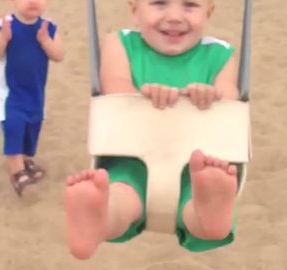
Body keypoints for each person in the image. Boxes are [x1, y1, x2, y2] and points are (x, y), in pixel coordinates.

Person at [65, 0, 241, 259]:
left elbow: (229, 101)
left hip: (198, 165)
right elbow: (115, 87)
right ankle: (97, 221)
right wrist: (146, 97)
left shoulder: (221, 55)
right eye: (159, 3)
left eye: (190, 5)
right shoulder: (119, 43)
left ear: (209, 12)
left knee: (199, 196)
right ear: (134, 10)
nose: (174, 16)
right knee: (120, 196)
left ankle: (209, 217)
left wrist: (210, 95)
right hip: (132, 156)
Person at [0, 0, 64, 196]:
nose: (33, 1)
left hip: (35, 91)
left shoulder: (48, 27)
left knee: (32, 126)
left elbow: (59, 55)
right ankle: (17, 172)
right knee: (14, 126)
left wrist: (46, 40)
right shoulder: (5, 25)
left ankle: (27, 160)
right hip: (10, 92)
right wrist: (3, 39)